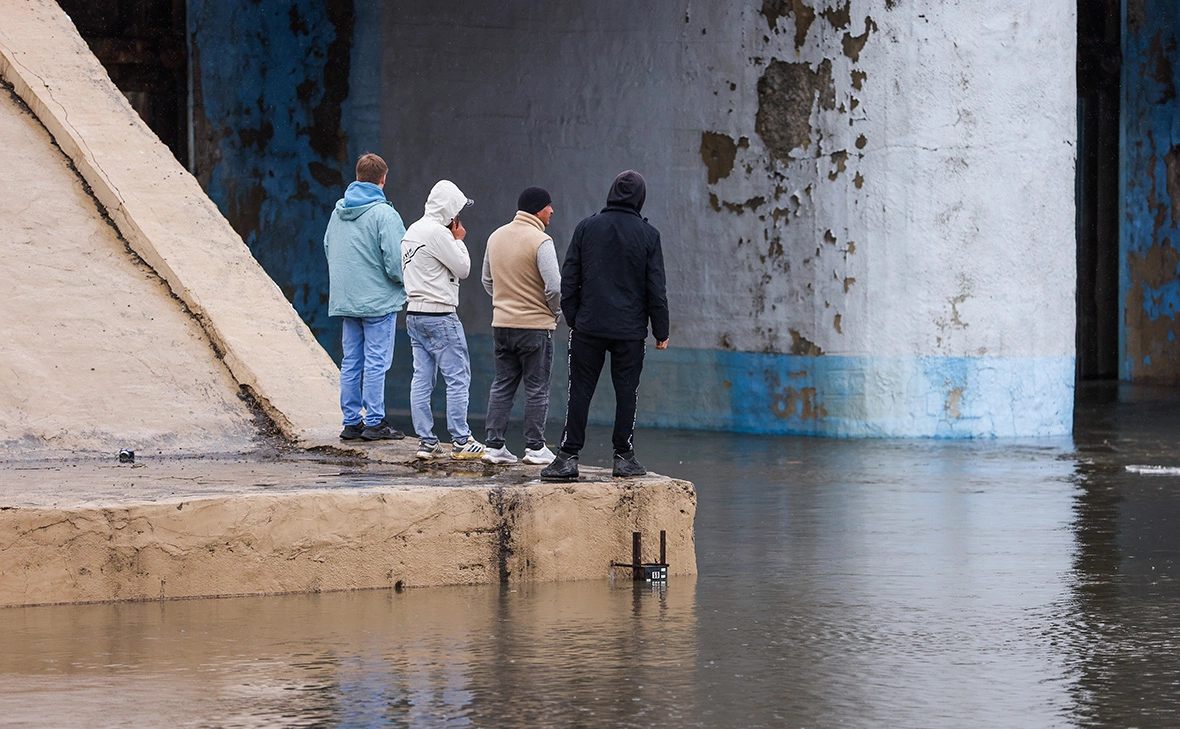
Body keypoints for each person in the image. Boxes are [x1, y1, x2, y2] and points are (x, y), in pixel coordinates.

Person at [542, 170, 669, 481]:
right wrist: (661, 330)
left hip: (589, 328)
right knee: (627, 393)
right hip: (629, 331)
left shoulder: (587, 227)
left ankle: (568, 457)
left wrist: (574, 318)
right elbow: (656, 287)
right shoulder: (648, 235)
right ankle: (624, 457)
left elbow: (569, 278)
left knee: (580, 391)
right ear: (641, 197)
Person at [323, 153, 406, 441]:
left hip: (347, 299)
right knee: (376, 361)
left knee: (351, 361)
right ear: (383, 180)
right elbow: (397, 261)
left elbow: (328, 248)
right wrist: (402, 283)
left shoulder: (337, 212)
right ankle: (374, 422)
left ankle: (350, 422)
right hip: (378, 300)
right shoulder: (385, 214)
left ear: (357, 177)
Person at [401, 179, 486, 460]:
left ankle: (426, 441)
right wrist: (458, 240)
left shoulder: (413, 229)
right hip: (440, 314)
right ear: (451, 212)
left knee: (422, 378)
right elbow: (463, 269)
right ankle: (461, 440)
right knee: (457, 377)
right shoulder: (439, 233)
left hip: (414, 314)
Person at [480, 186, 561, 465]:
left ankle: (494, 447)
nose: (552, 211)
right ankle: (535, 448)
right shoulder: (541, 241)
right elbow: (554, 287)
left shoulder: (495, 237)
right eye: (549, 206)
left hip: (502, 325)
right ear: (538, 209)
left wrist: (507, 303)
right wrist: (555, 312)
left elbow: (487, 281)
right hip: (536, 327)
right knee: (537, 387)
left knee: (502, 384)